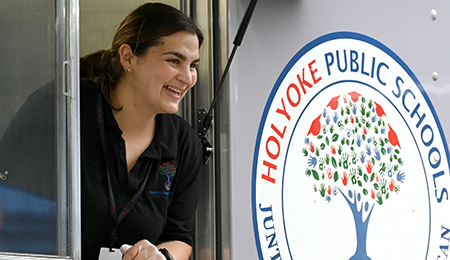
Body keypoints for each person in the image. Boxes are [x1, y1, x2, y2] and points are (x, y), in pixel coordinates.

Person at [79, 3, 204, 260]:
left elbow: (181, 236)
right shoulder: (67, 110)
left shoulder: (184, 142)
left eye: (192, 65)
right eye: (174, 60)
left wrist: (159, 256)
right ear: (128, 58)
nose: (188, 77)